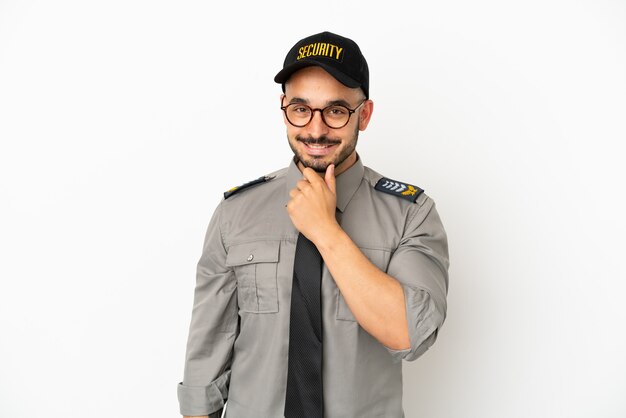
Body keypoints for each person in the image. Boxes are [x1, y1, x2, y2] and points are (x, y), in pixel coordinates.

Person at [177, 31, 449, 418]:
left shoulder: (411, 214)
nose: (316, 130)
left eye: (336, 111)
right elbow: (207, 354)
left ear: (364, 115)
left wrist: (324, 230)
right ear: (284, 107)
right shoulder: (236, 213)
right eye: (301, 109)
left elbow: (408, 333)